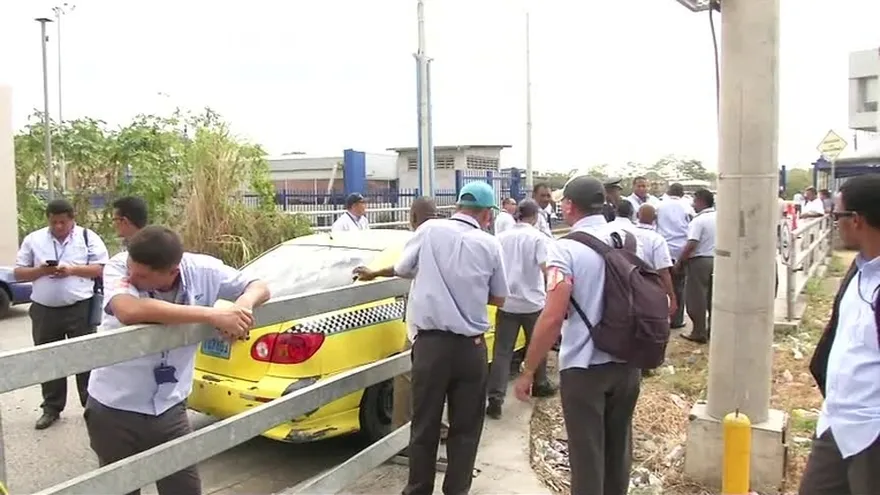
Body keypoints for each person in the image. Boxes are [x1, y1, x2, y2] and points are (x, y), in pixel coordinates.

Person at [85, 226, 270, 495]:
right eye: (132, 270)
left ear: (173, 271)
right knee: (121, 489)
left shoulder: (203, 270)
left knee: (184, 487)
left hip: (170, 406)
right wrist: (213, 315)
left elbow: (259, 286)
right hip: (115, 406)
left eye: (143, 276)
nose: (133, 278)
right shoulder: (119, 266)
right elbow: (129, 310)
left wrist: (242, 306)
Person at [354, 182, 508, 495]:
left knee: (424, 425)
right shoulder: (491, 245)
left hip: (431, 348)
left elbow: (402, 268)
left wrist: (372, 273)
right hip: (471, 349)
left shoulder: (430, 230)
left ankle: (417, 491)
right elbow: (500, 298)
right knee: (466, 430)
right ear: (487, 214)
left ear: (458, 207)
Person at [513, 175, 641, 495]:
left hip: (585, 368)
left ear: (569, 205)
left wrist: (529, 369)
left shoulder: (565, 249)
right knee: (618, 449)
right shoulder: (628, 238)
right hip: (628, 362)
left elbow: (554, 315)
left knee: (587, 456)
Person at [800, 174, 880, 495]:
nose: (834, 223)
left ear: (857, 220)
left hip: (872, 431)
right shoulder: (860, 270)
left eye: (838, 215)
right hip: (836, 421)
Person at [14, 198, 109, 430]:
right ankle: (51, 408)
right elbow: (18, 273)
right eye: (54, 222)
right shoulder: (34, 240)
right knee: (49, 359)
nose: (58, 227)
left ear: (72, 219)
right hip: (45, 310)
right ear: (48, 219)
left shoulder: (88, 237)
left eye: (63, 222)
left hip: (80, 307)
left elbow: (101, 268)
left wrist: (71, 270)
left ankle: (91, 405)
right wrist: (41, 271)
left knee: (85, 358)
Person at [487, 199, 555, 420]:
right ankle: (540, 383)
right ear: (535, 217)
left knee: (502, 352)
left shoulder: (501, 238)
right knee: (538, 344)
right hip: (533, 302)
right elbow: (547, 269)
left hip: (507, 303)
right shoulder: (538, 238)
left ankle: (495, 398)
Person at [388, 197, 449, 444]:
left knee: (405, 375)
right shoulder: (448, 234)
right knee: (441, 379)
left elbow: (402, 268)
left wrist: (373, 274)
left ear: (413, 218)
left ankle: (401, 435)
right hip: (448, 325)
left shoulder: (421, 234)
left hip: (423, 325)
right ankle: (440, 427)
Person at [675, 189, 717, 344]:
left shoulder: (699, 221)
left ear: (700, 201)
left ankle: (698, 331)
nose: (693, 205)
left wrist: (680, 261)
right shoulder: (721, 217)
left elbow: (692, 243)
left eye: (694, 201)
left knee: (695, 298)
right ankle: (713, 330)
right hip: (718, 260)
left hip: (700, 262)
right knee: (714, 298)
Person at [656, 183, 694, 329]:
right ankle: (677, 320)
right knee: (679, 286)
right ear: (682, 193)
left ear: (668, 192)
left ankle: (661, 318)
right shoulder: (687, 207)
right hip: (680, 251)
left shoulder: (659, 206)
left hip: (663, 249)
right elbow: (692, 225)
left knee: (661, 285)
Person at [635, 204, 677, 318]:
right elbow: (663, 271)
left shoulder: (626, 234)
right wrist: (672, 297)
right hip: (650, 288)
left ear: (637, 215)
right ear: (655, 218)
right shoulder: (657, 239)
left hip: (628, 286)